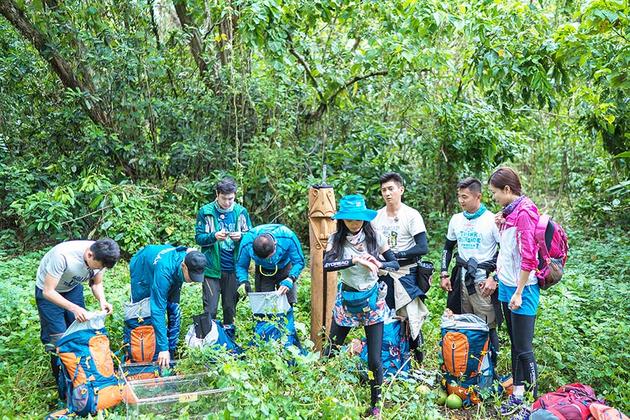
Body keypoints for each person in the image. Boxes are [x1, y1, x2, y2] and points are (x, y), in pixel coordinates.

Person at [322, 195, 400, 417]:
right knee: (330, 349)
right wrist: (354, 260)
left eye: (358, 219)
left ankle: (375, 405)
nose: (354, 224)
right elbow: (327, 265)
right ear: (343, 220)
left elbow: (393, 263)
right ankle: (321, 393)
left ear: (364, 219)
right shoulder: (336, 238)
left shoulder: (374, 236)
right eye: (349, 219)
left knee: (374, 359)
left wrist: (378, 263)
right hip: (347, 300)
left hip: (372, 301)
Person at [488, 167, 540, 417]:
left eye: (495, 192)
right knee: (515, 346)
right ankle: (517, 394)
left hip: (523, 289)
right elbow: (509, 252)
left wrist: (519, 292)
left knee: (524, 347)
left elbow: (529, 258)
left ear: (508, 190)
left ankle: (532, 403)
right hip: (508, 286)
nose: (494, 197)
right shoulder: (509, 213)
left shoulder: (525, 212)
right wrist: (501, 225)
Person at [35, 239, 120, 390]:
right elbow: (48, 291)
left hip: (72, 289)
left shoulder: (102, 256)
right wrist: (74, 308)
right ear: (89, 254)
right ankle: (64, 387)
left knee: (78, 333)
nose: (99, 269)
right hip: (49, 293)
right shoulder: (62, 256)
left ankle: (82, 380)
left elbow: (96, 283)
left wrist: (102, 300)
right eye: (98, 266)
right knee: (59, 341)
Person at [440, 177, 501, 367]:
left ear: (478, 196)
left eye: (465, 196)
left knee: (487, 326)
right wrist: (444, 273)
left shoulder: (492, 220)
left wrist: (495, 277)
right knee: (462, 324)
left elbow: (505, 252)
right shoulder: (456, 220)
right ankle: (465, 368)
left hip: (483, 281)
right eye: (459, 196)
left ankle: (490, 368)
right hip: (461, 279)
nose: (461, 201)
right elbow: (447, 248)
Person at [372, 172, 429, 363]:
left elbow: (423, 247)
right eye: (383, 190)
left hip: (406, 273)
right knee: (386, 317)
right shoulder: (376, 217)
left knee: (410, 318)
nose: (387, 193)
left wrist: (396, 255)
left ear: (401, 190)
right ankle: (391, 359)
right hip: (383, 273)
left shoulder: (411, 215)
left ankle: (418, 361)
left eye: (391, 189)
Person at [129, 244, 207, 368]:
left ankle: (170, 355)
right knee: (144, 311)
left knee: (174, 311)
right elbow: (158, 309)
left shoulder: (191, 259)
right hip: (143, 267)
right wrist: (162, 348)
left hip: (173, 272)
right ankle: (146, 355)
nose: (192, 281)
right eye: (191, 277)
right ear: (184, 267)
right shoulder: (164, 271)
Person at [195, 177, 252, 330]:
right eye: (224, 199)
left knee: (230, 309)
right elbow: (199, 238)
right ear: (217, 194)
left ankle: (229, 343)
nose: (228, 203)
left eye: (231, 199)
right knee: (210, 309)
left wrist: (241, 237)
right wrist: (213, 236)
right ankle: (208, 342)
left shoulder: (241, 212)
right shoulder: (206, 212)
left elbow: (252, 237)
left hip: (233, 268)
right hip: (211, 269)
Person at [235, 224, 305, 305]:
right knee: (264, 303)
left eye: (270, 256)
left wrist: (291, 278)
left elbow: (299, 261)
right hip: (263, 270)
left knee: (288, 302)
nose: (270, 261)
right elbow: (241, 265)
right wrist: (244, 281)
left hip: (284, 266)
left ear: (275, 244)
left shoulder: (287, 236)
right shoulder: (247, 242)